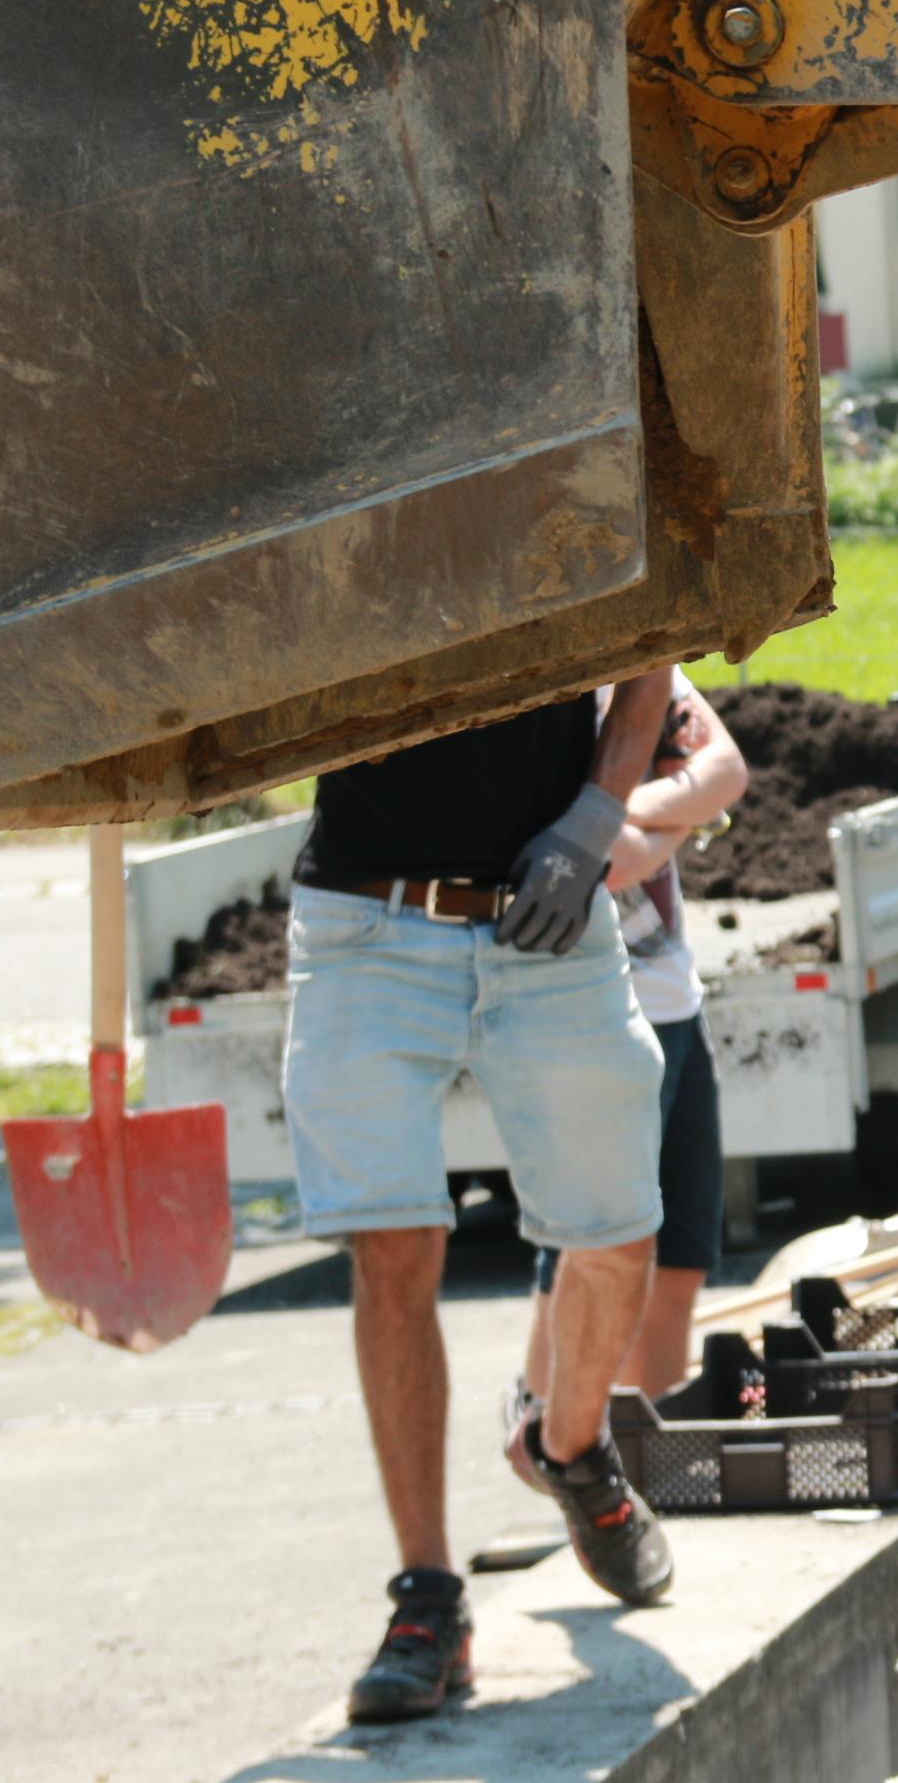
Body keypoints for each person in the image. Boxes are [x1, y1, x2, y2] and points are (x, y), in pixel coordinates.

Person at [283, 677, 686, 1725]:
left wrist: (593, 823)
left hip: (549, 903)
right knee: (392, 1244)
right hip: (366, 918)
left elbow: (652, 653)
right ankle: (427, 1602)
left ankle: (572, 1449)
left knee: (615, 1231)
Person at [505, 674, 750, 1456]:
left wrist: (622, 806)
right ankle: (540, 1438)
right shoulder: (542, 711)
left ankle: (651, 1454)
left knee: (681, 1259)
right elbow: (611, 864)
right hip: (597, 1013)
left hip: (677, 1006)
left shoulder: (648, 676)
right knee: (583, 1252)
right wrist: (684, 813)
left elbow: (727, 773)